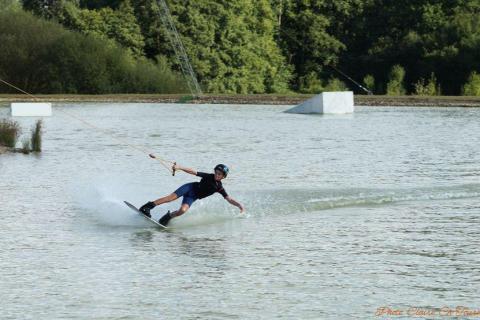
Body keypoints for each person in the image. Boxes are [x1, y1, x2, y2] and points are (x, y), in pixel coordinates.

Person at [139, 163, 245, 226]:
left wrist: (239, 205)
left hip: (192, 197)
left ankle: (166, 218)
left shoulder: (219, 187)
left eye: (219, 174)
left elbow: (229, 199)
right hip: (189, 188)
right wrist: (179, 167)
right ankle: (146, 207)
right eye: (216, 172)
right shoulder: (209, 176)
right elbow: (193, 172)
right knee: (170, 198)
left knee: (182, 211)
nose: (217, 175)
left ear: (223, 177)